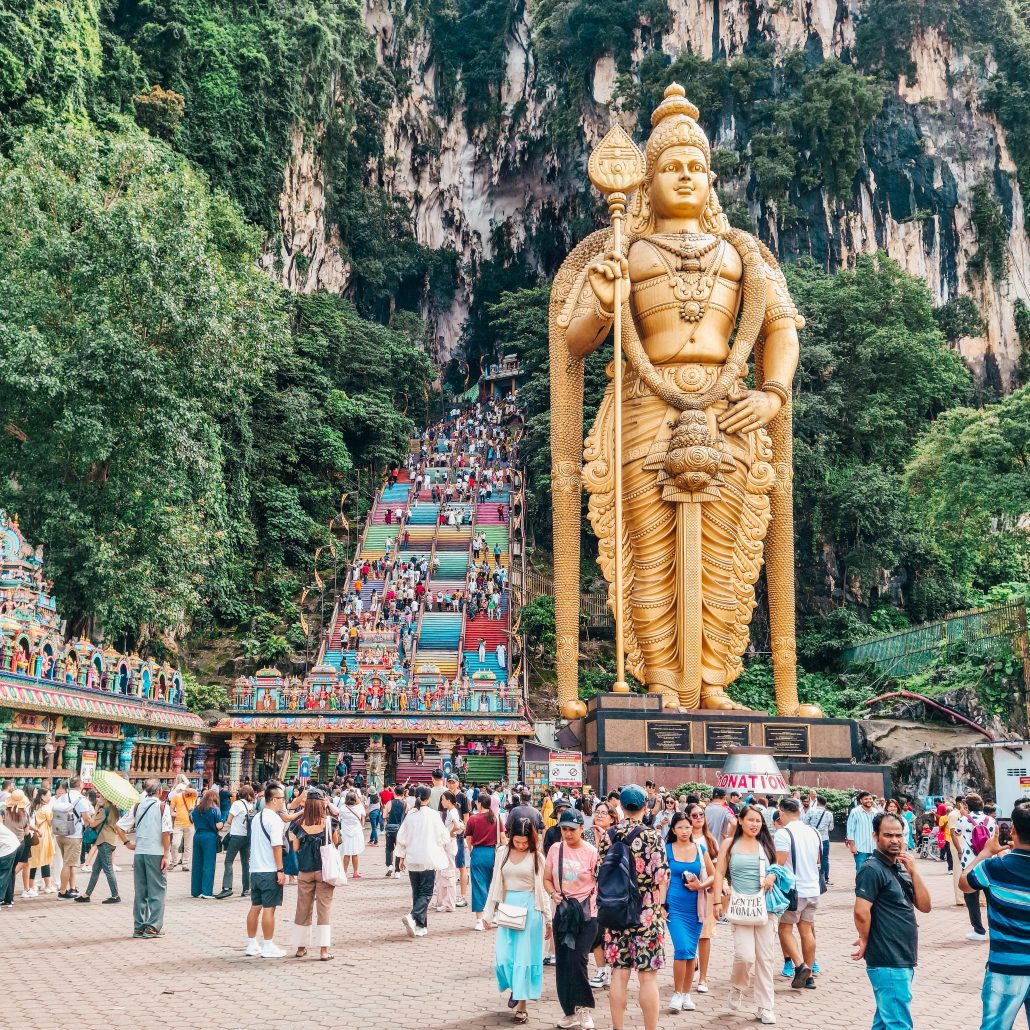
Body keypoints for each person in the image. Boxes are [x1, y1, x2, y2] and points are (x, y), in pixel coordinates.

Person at [597, 784, 670, 1030]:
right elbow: (661, 876)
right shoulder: (651, 836)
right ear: (645, 806)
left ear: (621, 806)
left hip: (616, 910)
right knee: (647, 977)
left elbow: (599, 872)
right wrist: (659, 906)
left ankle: (618, 1027)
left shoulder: (609, 835)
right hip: (646, 913)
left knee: (619, 973)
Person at [853, 812, 932, 1030]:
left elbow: (925, 906)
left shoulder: (901, 867)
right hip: (888, 958)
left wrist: (914, 872)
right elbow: (861, 911)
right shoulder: (871, 869)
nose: (895, 840)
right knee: (898, 1023)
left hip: (902, 956)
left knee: (885, 1022)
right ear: (875, 836)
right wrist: (864, 939)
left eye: (898, 835)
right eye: (888, 835)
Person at [960, 803, 1030, 1030]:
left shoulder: (994, 868)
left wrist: (985, 852)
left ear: (1013, 831)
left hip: (1005, 966)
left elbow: (965, 883)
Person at [712, 805, 779, 1025]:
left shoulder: (766, 844)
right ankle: (738, 987)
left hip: (765, 908)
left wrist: (772, 877)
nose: (754, 824)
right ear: (740, 821)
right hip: (740, 907)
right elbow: (720, 871)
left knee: (765, 959)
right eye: (750, 820)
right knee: (745, 956)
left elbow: (778, 870)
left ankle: (765, 1006)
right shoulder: (730, 844)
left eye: (758, 821)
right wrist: (716, 900)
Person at [485, 817, 552, 1025]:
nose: (521, 846)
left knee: (524, 958)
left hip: (531, 909)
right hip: (508, 907)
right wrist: (488, 913)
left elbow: (543, 890)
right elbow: (495, 881)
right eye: (517, 841)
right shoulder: (502, 853)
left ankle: (522, 1006)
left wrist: (548, 919)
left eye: (525, 842)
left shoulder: (536, 857)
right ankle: (515, 987)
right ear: (510, 838)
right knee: (504, 957)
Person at [544, 808, 599, 1030]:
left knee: (578, 960)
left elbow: (600, 881)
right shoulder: (555, 850)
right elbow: (547, 879)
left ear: (581, 829)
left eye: (572, 830)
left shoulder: (591, 852)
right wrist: (552, 893)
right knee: (564, 963)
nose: (567, 834)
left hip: (587, 914)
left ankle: (584, 1008)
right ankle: (569, 1011)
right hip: (564, 913)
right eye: (564, 829)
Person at [664, 810, 716, 1013]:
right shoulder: (666, 848)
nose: (685, 831)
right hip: (674, 906)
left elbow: (714, 875)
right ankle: (677, 993)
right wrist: (660, 905)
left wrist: (700, 886)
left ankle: (686, 994)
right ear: (673, 829)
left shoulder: (699, 848)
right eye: (680, 827)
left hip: (696, 907)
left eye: (687, 827)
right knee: (682, 949)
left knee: (690, 952)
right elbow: (659, 879)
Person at [774, 796, 822, 989]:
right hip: (813, 887)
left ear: (782, 812)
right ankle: (809, 974)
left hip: (794, 890)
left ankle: (800, 965)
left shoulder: (783, 833)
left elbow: (779, 863)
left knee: (784, 929)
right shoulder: (814, 832)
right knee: (806, 930)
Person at [115, 778, 172, 939]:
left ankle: (139, 926)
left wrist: (127, 843)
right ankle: (153, 926)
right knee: (158, 890)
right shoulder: (163, 807)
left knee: (141, 891)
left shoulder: (137, 807)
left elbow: (119, 826)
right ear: (160, 791)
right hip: (156, 853)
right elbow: (166, 832)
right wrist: (166, 855)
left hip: (139, 853)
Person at [287, 790, 338, 960]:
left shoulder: (298, 824)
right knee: (324, 909)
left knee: (303, 908)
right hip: (325, 872)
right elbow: (335, 842)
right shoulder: (330, 823)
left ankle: (301, 948)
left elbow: (295, 848)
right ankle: (324, 951)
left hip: (305, 870)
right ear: (322, 804)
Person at [396, 784, 450, 938]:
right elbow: (444, 837)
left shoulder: (410, 815)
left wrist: (401, 857)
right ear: (429, 798)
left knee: (417, 893)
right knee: (426, 893)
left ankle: (420, 926)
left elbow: (401, 838)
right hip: (428, 858)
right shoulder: (433, 815)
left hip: (413, 858)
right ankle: (414, 916)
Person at [245, 783, 288, 958]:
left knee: (255, 907)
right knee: (269, 909)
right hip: (270, 869)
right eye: (282, 799)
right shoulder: (275, 820)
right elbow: (277, 846)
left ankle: (251, 943)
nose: (283, 802)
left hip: (255, 869)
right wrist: (280, 870)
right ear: (274, 800)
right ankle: (268, 945)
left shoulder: (257, 817)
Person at [686, 802, 718, 994]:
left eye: (701, 815)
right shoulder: (681, 838)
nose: (699, 818)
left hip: (705, 891)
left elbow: (717, 868)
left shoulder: (709, 840)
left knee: (705, 937)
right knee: (689, 933)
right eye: (695, 815)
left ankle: (703, 977)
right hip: (685, 891)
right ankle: (691, 964)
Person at [955, 791, 994, 942]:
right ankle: (994, 927)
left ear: (967, 806)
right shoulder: (990, 820)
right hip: (988, 862)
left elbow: (957, 833)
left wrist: (963, 814)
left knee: (971, 897)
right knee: (992, 898)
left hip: (970, 863)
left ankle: (978, 930)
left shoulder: (963, 820)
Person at [586, 802, 615, 990]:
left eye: (604, 813)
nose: (600, 816)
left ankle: (609, 970)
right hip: (591, 890)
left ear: (612, 817)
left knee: (609, 933)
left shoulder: (615, 835)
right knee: (596, 932)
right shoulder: (588, 834)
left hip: (612, 891)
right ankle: (601, 970)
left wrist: (604, 836)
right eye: (597, 812)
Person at [52, 775, 93, 898]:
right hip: (73, 836)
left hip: (60, 833)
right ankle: (62, 892)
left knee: (71, 863)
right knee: (68, 863)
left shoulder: (63, 797)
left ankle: (73, 888)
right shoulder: (82, 799)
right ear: (81, 786)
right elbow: (86, 818)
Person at [75, 794, 120, 904]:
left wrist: (90, 816)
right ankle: (87, 895)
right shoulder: (115, 809)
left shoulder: (104, 810)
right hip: (110, 840)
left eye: (100, 797)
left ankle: (115, 895)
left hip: (104, 841)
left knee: (108, 869)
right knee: (95, 869)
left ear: (106, 798)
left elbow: (94, 823)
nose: (98, 799)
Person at [465, 791, 499, 931]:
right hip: (492, 854)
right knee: (493, 886)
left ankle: (480, 920)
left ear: (478, 804)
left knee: (478, 887)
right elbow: (502, 837)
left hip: (478, 853)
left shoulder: (473, 819)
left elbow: (468, 840)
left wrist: (471, 850)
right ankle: (494, 915)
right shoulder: (496, 818)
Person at [218, 784, 253, 898]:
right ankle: (247, 888)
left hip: (236, 836)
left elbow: (229, 820)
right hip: (247, 837)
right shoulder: (250, 804)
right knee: (245, 862)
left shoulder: (237, 804)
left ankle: (227, 888)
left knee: (228, 861)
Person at [189, 787, 223, 899]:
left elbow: (192, 819)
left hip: (197, 835)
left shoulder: (196, 809)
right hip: (210, 837)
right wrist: (222, 823)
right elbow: (219, 825)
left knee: (197, 863)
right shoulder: (215, 809)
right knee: (208, 864)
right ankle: (206, 891)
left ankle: (195, 890)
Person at [433, 790, 464, 913]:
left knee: (449, 874)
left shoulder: (452, 812)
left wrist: (449, 834)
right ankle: (442, 901)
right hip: (447, 844)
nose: (442, 801)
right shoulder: (449, 811)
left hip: (450, 844)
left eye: (443, 799)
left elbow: (456, 826)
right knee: (442, 873)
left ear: (449, 801)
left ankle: (449, 904)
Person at [0, 788, 31, 908]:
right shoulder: (25, 813)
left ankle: (6, 898)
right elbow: (27, 832)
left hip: (6, 846)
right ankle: (9, 899)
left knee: (7, 871)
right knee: (11, 871)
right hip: (20, 844)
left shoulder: (4, 812)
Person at [25, 786, 56, 896]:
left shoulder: (34, 806)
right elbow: (51, 823)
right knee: (45, 860)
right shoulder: (46, 808)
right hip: (43, 834)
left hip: (35, 836)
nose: (50, 797)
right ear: (42, 797)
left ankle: (31, 886)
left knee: (33, 861)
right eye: (48, 795)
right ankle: (47, 886)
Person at [803, 792, 833, 886]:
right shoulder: (829, 814)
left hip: (812, 837)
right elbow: (831, 828)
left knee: (811, 857)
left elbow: (805, 824)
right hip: (824, 838)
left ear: (817, 802)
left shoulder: (811, 811)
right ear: (826, 803)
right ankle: (825, 878)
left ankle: (811, 876)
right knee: (824, 858)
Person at [169, 777, 198, 872]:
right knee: (174, 844)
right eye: (188, 792)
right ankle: (174, 861)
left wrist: (186, 789)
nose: (189, 794)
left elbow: (195, 792)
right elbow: (171, 810)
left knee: (188, 846)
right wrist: (175, 814)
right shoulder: (177, 797)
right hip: (178, 824)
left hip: (190, 824)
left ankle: (185, 864)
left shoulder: (193, 796)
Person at [846, 791, 878, 871]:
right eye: (866, 799)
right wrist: (852, 847)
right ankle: (860, 884)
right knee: (860, 870)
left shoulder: (876, 812)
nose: (869, 801)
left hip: (874, 848)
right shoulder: (855, 812)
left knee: (874, 871)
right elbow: (850, 830)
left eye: (870, 799)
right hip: (860, 849)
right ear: (861, 801)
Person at [338, 789, 366, 878]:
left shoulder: (342, 808)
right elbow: (364, 814)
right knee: (355, 853)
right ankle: (355, 872)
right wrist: (358, 800)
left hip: (345, 833)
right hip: (356, 833)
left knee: (346, 853)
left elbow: (339, 818)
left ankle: (344, 872)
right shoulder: (359, 807)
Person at [384, 785, 407, 877]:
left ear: (394, 793)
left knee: (389, 848)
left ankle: (389, 865)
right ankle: (397, 871)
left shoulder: (389, 803)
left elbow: (384, 816)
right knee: (399, 849)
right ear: (403, 793)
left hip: (390, 829)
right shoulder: (406, 804)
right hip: (401, 830)